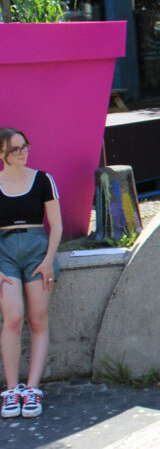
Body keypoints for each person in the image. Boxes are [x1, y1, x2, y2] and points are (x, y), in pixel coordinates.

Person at [0, 128, 61, 419]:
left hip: (38, 252)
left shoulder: (43, 179)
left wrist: (49, 261)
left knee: (38, 320)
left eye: (25, 146)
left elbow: (56, 226)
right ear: (2, 154)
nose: (23, 152)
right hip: (4, 253)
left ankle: (32, 388)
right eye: (15, 149)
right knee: (12, 318)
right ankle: (12, 390)